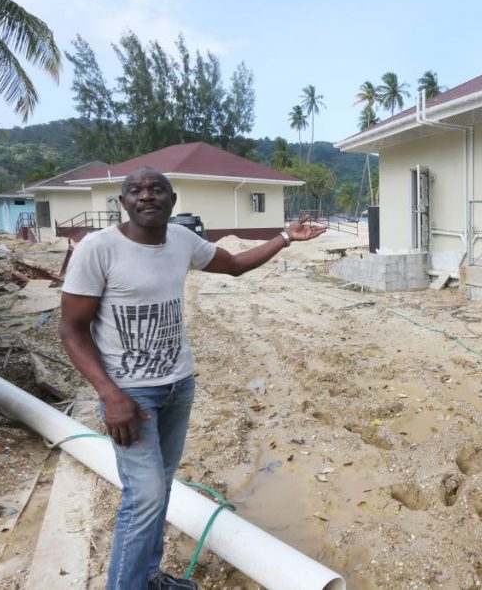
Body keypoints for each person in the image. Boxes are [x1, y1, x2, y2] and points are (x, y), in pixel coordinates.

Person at [60, 168, 326, 590]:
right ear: (123, 201)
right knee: (143, 497)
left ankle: (148, 577)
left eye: (155, 189)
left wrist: (286, 238)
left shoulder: (182, 240)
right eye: (136, 190)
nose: (146, 196)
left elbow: (235, 265)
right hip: (129, 395)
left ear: (171, 197)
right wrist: (110, 395)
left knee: (160, 489)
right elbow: (71, 330)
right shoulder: (98, 248)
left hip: (178, 385)